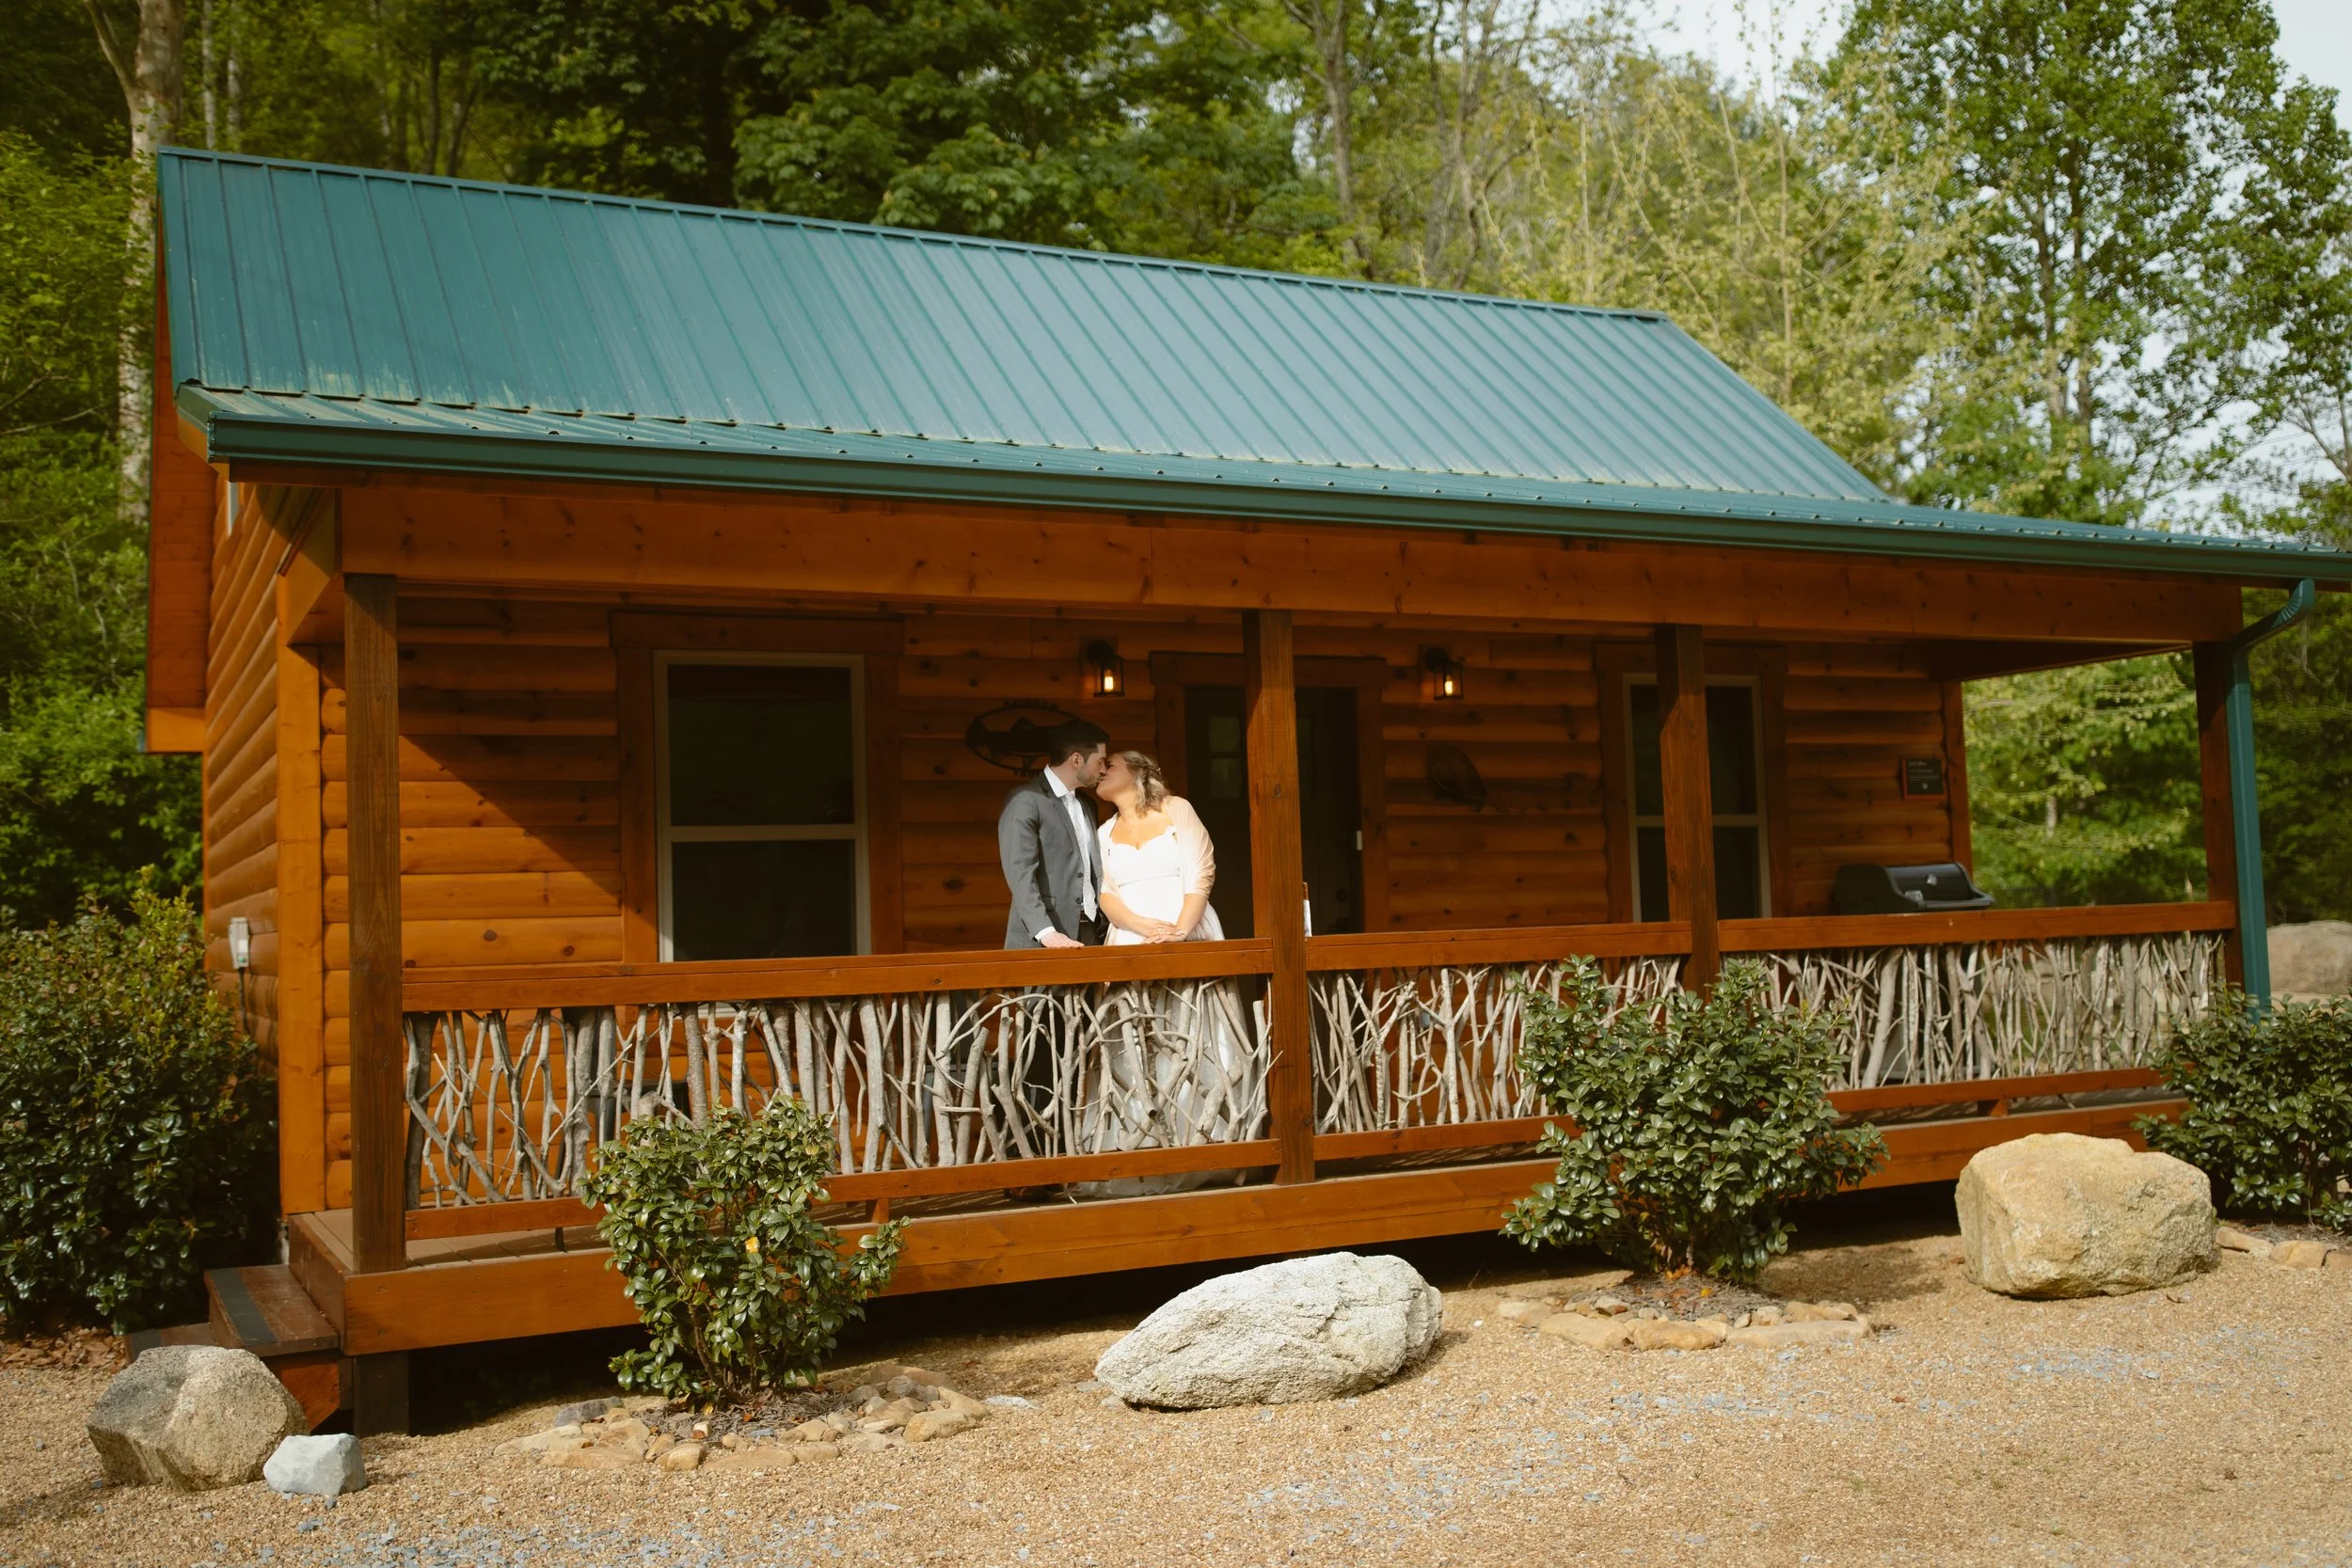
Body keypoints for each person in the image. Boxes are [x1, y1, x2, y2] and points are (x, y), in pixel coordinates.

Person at [998, 720, 1110, 949]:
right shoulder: (1025, 800)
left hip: (1092, 932)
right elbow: (1020, 873)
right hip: (1044, 936)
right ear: (1077, 760)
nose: (1103, 769)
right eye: (1100, 761)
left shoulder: (1088, 804)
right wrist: (1045, 932)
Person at [1094, 751, 1222, 944]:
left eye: (1110, 765)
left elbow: (1201, 873)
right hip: (1130, 938)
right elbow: (1105, 893)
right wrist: (1141, 925)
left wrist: (1180, 931)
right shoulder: (1104, 833)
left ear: (1138, 771)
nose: (1101, 771)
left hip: (1187, 930)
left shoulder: (1177, 809)